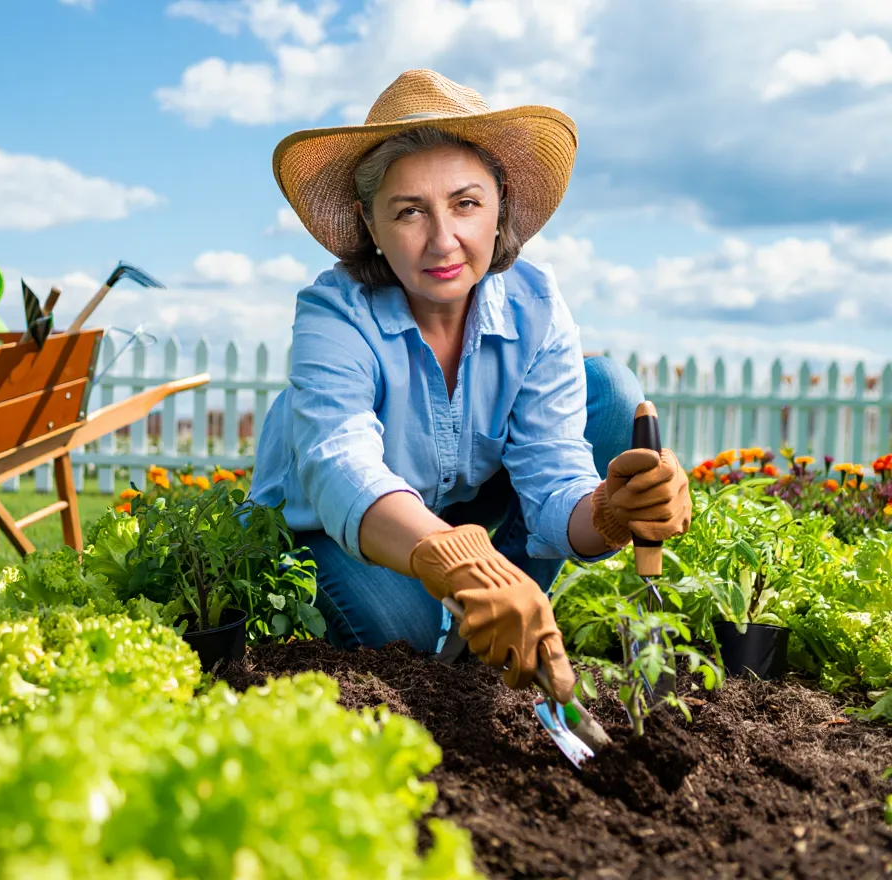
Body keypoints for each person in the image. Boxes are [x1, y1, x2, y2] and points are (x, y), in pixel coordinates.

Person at [248, 69, 692, 705]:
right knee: (400, 637)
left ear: (500, 203)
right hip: (334, 523)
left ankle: (496, 623)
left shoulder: (536, 306)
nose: (443, 240)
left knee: (611, 388)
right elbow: (339, 465)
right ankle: (475, 615)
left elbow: (552, 475)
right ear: (368, 223)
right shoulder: (334, 313)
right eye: (408, 212)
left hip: (465, 511)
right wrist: (452, 558)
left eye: (465, 203)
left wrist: (609, 514)